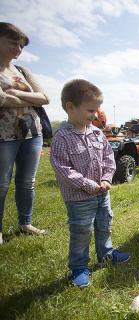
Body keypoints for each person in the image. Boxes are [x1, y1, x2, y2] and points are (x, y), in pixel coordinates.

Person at [50, 79, 130, 287]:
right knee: (81, 231)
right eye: (90, 110)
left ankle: (106, 254)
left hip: (102, 193)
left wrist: (105, 178)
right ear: (70, 107)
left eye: (97, 110)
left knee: (104, 225)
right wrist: (88, 184)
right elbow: (63, 170)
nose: (95, 115)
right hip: (79, 198)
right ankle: (78, 267)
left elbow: (108, 158)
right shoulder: (62, 137)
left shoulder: (97, 134)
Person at [0, 22, 50, 244]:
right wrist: (23, 98)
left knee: (27, 181)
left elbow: (45, 98)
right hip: (3, 135)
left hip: (32, 132)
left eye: (21, 46)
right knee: (1, 183)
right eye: (13, 43)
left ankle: (25, 223)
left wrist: (11, 93)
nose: (18, 49)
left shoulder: (22, 71)